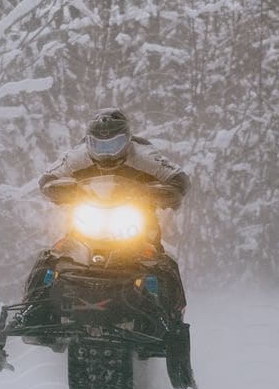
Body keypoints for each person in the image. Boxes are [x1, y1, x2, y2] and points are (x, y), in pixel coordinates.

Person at [34, 108, 189, 312]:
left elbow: (178, 178)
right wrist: (59, 188)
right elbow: (48, 177)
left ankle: (171, 318)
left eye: (113, 144)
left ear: (127, 140)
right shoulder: (78, 156)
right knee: (50, 258)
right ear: (88, 142)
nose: (105, 152)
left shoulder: (144, 155)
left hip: (136, 228)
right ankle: (33, 309)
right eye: (98, 145)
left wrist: (166, 192)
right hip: (87, 224)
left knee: (163, 265)